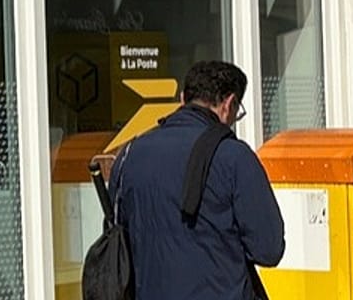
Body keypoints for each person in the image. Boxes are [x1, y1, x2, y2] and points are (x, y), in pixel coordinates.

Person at [114, 60, 285, 300]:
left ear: (183, 99)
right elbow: (269, 249)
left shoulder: (129, 155)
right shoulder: (234, 157)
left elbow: (117, 238)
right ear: (229, 104)